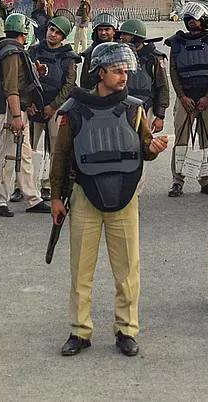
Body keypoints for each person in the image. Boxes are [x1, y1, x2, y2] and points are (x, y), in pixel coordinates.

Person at [49, 42, 168, 357]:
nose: (124, 76)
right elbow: (60, 156)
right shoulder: (73, 110)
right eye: (117, 71)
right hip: (84, 195)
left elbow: (143, 145)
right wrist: (57, 197)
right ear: (99, 72)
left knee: (128, 269)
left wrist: (152, 149)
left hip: (125, 196)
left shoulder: (133, 108)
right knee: (81, 270)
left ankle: (126, 330)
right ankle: (79, 331)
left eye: (126, 71)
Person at [0, 13, 51, 216]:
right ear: (24, 31)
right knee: (7, 156)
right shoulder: (11, 54)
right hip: (10, 111)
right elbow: (11, 87)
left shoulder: (9, 50)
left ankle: (32, 197)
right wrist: (17, 116)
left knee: (25, 155)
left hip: (16, 109)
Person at [164, 2, 208, 197]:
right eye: (189, 20)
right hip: (185, 100)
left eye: (196, 20)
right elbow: (173, 71)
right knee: (181, 140)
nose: (192, 23)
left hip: (207, 98)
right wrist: (182, 96)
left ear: (204, 21)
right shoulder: (177, 42)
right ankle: (177, 180)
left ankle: (206, 180)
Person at [28, 16, 82, 199]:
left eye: (58, 33)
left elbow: (69, 85)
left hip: (55, 108)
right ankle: (25, 187)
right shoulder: (34, 51)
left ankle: (49, 186)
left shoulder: (68, 58)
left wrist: (53, 106)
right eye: (51, 30)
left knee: (55, 151)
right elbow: (26, 78)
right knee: (29, 150)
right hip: (35, 106)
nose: (53, 34)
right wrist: (30, 103)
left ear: (63, 37)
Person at [116, 19, 169, 133]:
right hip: (122, 107)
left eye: (125, 34)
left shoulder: (154, 58)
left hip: (146, 108)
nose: (122, 37)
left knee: (145, 144)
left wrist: (160, 116)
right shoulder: (119, 55)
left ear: (135, 36)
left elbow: (162, 87)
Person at [78, 12, 118, 90]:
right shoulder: (90, 53)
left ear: (114, 31)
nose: (103, 33)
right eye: (100, 30)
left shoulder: (121, 50)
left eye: (107, 29)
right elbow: (84, 81)